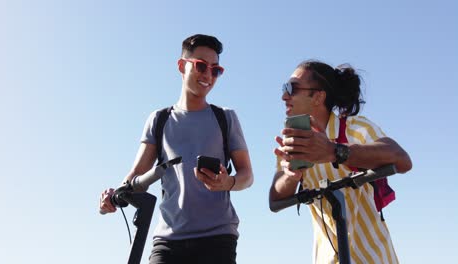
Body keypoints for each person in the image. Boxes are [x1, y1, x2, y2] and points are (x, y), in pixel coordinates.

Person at [100, 34, 253, 264]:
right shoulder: (159, 119)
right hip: (168, 241)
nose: (208, 76)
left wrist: (227, 182)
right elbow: (136, 176)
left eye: (215, 70)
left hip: (217, 239)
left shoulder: (226, 118)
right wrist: (112, 198)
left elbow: (247, 176)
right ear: (182, 66)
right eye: (201, 66)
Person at [269, 60, 412, 264]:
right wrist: (290, 176)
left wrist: (334, 151)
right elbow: (275, 200)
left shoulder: (357, 129)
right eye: (284, 88)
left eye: (292, 88)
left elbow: (402, 159)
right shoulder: (293, 144)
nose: (284, 96)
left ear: (318, 96)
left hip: (373, 258)